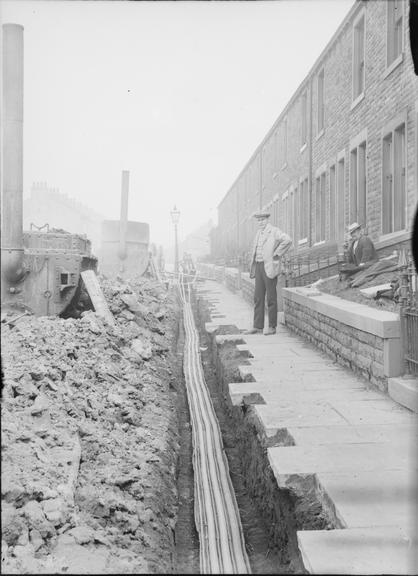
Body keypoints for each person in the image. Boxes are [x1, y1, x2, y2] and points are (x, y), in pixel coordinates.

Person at [245, 211, 292, 335]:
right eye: (258, 220)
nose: (260, 222)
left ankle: (272, 327)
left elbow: (287, 240)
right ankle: (257, 326)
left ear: (267, 220)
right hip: (259, 267)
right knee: (258, 297)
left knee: (271, 298)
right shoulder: (258, 233)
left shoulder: (274, 231)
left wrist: (277, 254)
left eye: (263, 220)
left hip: (269, 267)